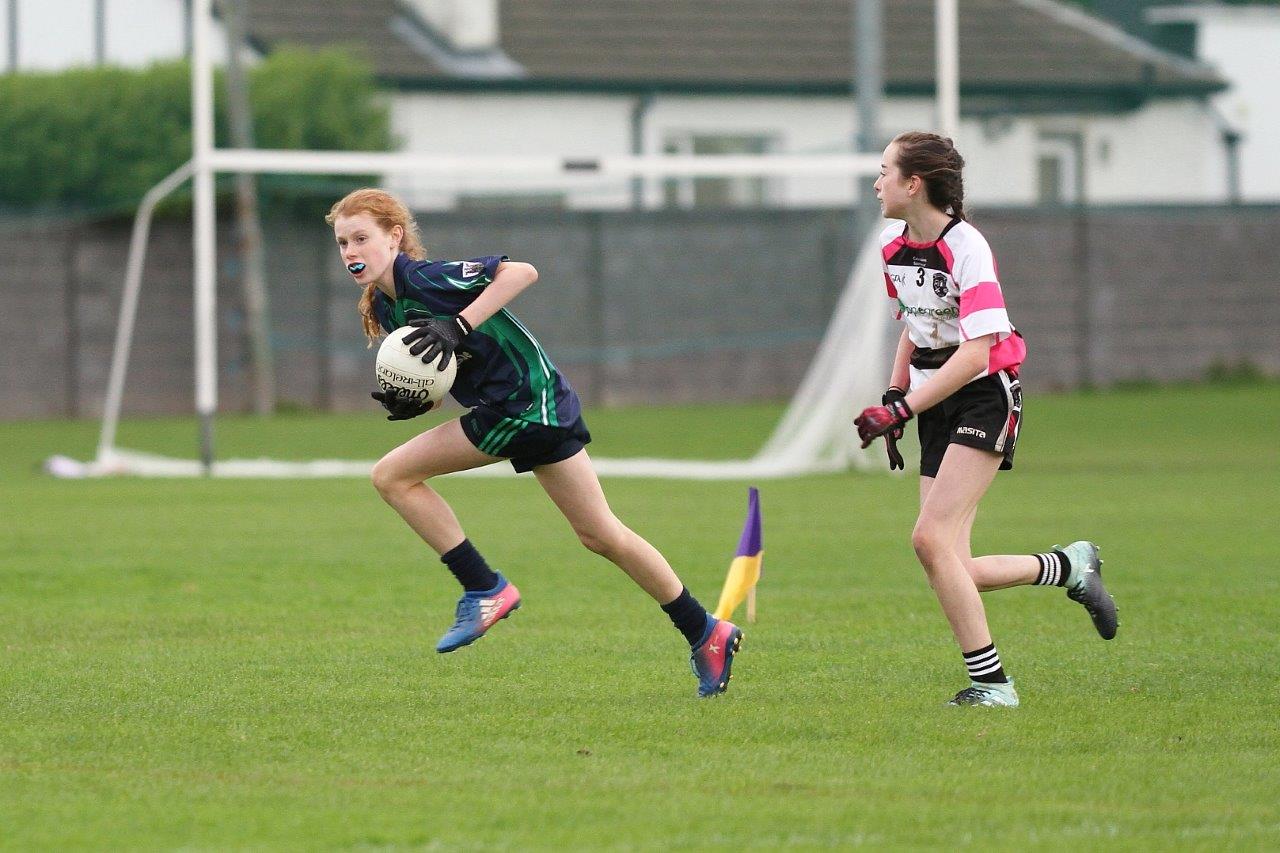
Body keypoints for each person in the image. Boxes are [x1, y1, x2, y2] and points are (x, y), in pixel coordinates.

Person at [325, 188, 741, 697]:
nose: (351, 251)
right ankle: (706, 631)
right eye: (343, 242)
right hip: (538, 404)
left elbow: (521, 272)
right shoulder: (389, 309)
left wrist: (457, 324)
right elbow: (447, 372)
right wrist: (415, 400)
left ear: (394, 237)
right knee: (601, 535)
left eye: (361, 238)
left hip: (524, 405)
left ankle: (483, 587)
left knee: (392, 475)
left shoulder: (425, 278)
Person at [854, 132, 1117, 708]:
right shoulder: (890, 244)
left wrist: (900, 407)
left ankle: (994, 686)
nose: (877, 183)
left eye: (884, 172)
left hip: (985, 396)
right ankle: (1068, 566)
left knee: (929, 541)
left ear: (913, 183)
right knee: (952, 563)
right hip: (934, 400)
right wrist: (896, 393)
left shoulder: (967, 245)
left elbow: (977, 352)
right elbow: (914, 325)